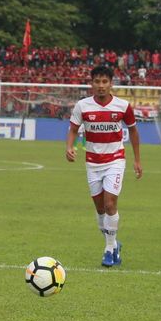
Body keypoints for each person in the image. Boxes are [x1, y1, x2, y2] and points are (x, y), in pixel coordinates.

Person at [65, 65, 142, 267]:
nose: (101, 86)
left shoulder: (123, 106)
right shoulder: (82, 106)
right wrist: (69, 147)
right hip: (92, 163)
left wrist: (137, 159)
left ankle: (108, 251)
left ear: (111, 84)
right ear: (92, 84)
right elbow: (73, 129)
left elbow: (133, 132)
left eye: (104, 81)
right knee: (100, 210)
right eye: (97, 82)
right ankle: (114, 243)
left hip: (115, 160)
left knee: (110, 204)